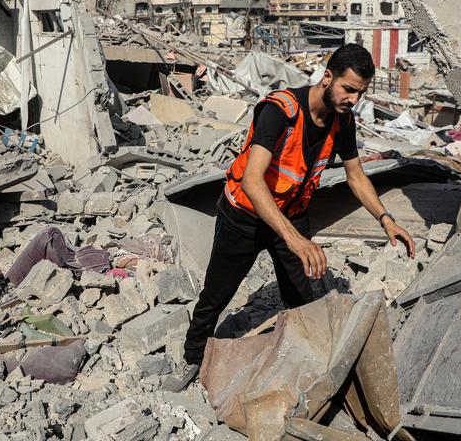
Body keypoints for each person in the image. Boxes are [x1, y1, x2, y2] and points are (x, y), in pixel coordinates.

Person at [163, 44, 414, 391]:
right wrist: (294, 239)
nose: (353, 99)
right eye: (348, 89)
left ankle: (302, 363)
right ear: (327, 78)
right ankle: (192, 360)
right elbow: (252, 180)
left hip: (291, 214)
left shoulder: (343, 122)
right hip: (245, 216)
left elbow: (356, 176)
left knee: (300, 296)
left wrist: (386, 219)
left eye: (360, 93)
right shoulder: (279, 111)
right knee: (216, 296)